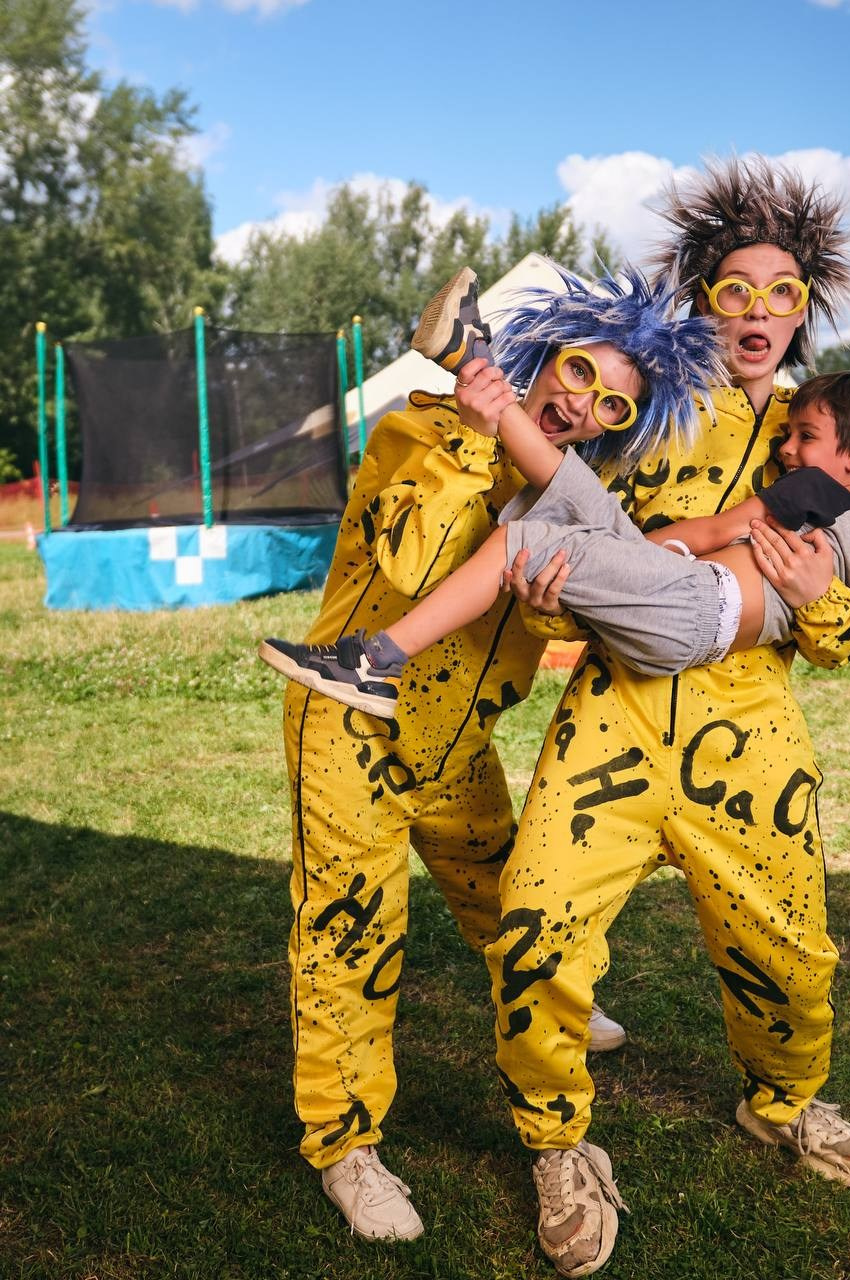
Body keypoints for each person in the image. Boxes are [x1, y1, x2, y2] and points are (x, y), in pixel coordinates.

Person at [483, 155, 850, 1279]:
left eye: (780, 292)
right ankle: (557, 1144)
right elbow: (557, 504)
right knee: (533, 924)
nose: (757, 310)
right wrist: (544, 590)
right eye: (734, 289)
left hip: (751, 730)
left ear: (804, 310)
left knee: (793, 954)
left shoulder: (821, 437)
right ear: (703, 300)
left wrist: (823, 603)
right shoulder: (645, 408)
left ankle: (784, 1100)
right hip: (613, 712)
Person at [268, 264, 722, 1243]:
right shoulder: (419, 429)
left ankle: (549, 1000)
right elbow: (409, 564)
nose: (582, 403)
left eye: (611, 403)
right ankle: (347, 1147)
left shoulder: (564, 487)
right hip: (351, 723)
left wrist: (560, 603)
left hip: (456, 742)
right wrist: (477, 437)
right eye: (576, 371)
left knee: (506, 887)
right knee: (349, 936)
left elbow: (549, 615)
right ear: (540, 356)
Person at [260, 363, 850, 715]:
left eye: (803, 437)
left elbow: (716, 529)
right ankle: (474, 367)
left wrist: (635, 549)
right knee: (576, 492)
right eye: (787, 433)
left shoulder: (813, 491)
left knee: (521, 538)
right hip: (690, 614)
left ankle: (375, 662)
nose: (785, 447)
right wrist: (815, 597)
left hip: (693, 603)